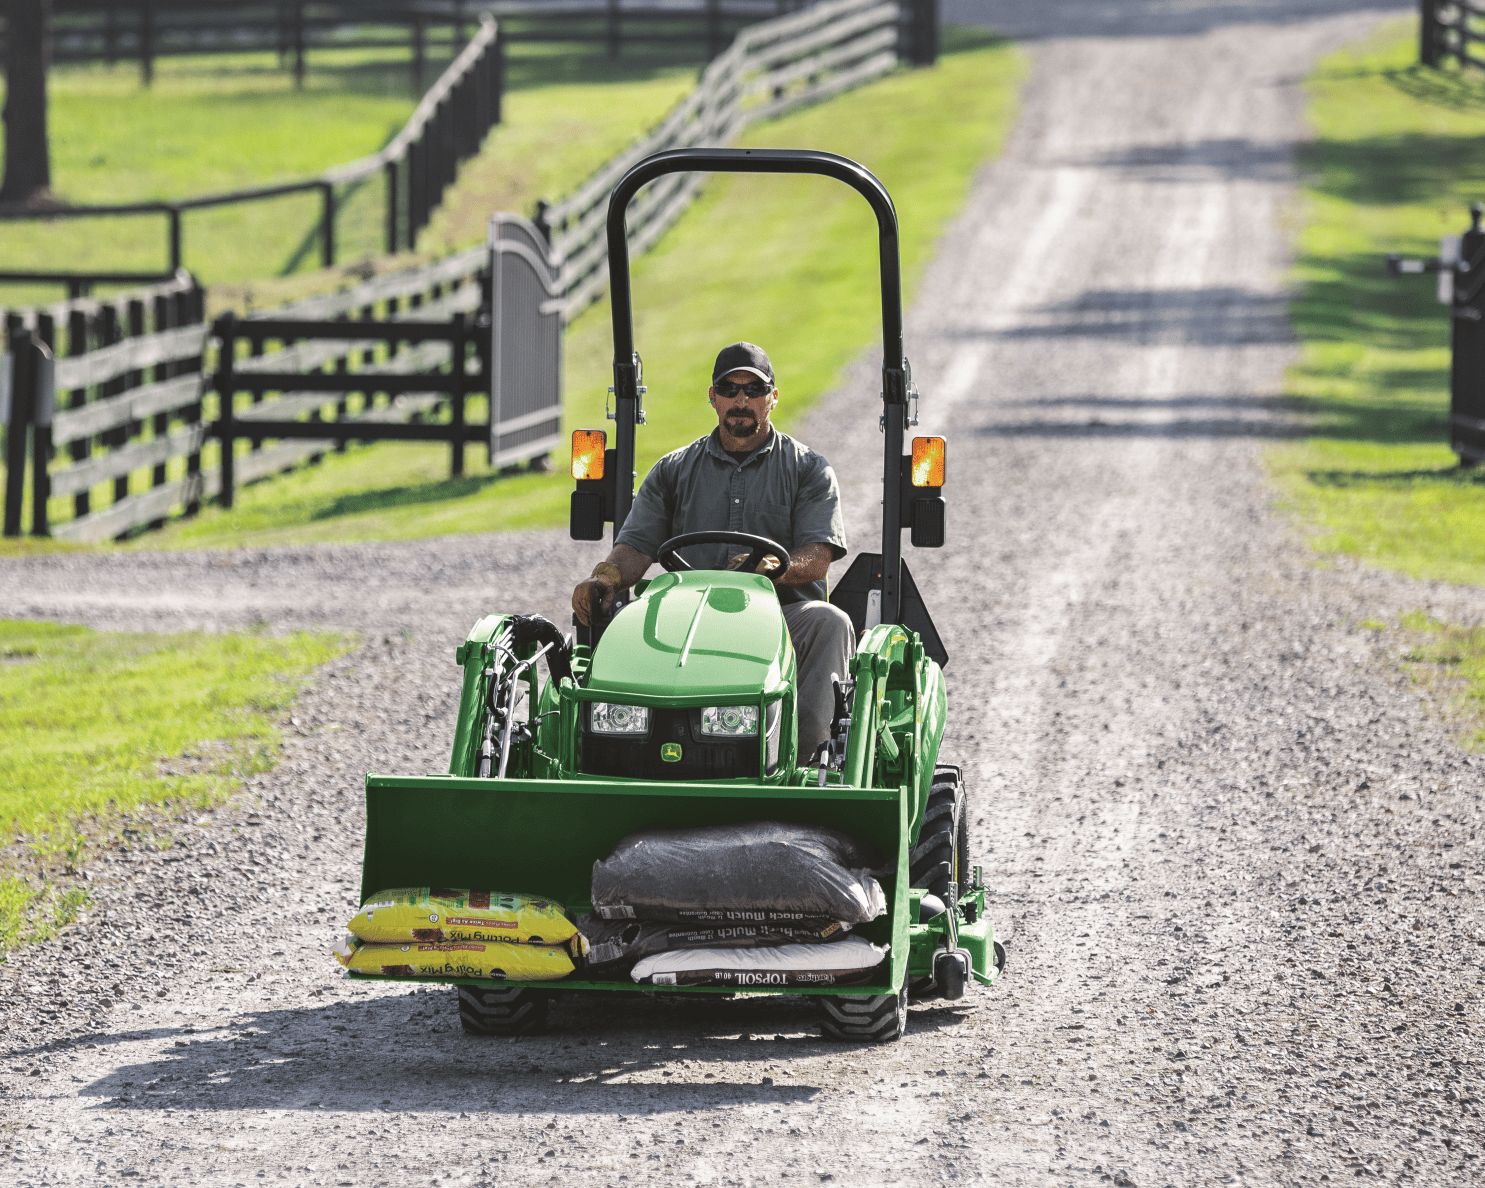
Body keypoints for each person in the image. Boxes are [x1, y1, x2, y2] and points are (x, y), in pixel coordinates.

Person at [571, 341, 855, 763]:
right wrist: (606, 578)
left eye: (754, 390)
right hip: (685, 617)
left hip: (782, 616)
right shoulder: (673, 470)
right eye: (730, 388)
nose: (742, 400)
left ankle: (810, 763)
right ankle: (614, 753)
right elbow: (635, 546)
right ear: (713, 397)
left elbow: (817, 558)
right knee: (622, 619)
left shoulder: (807, 469)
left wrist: (765, 569)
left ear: (772, 398)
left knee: (830, 621)